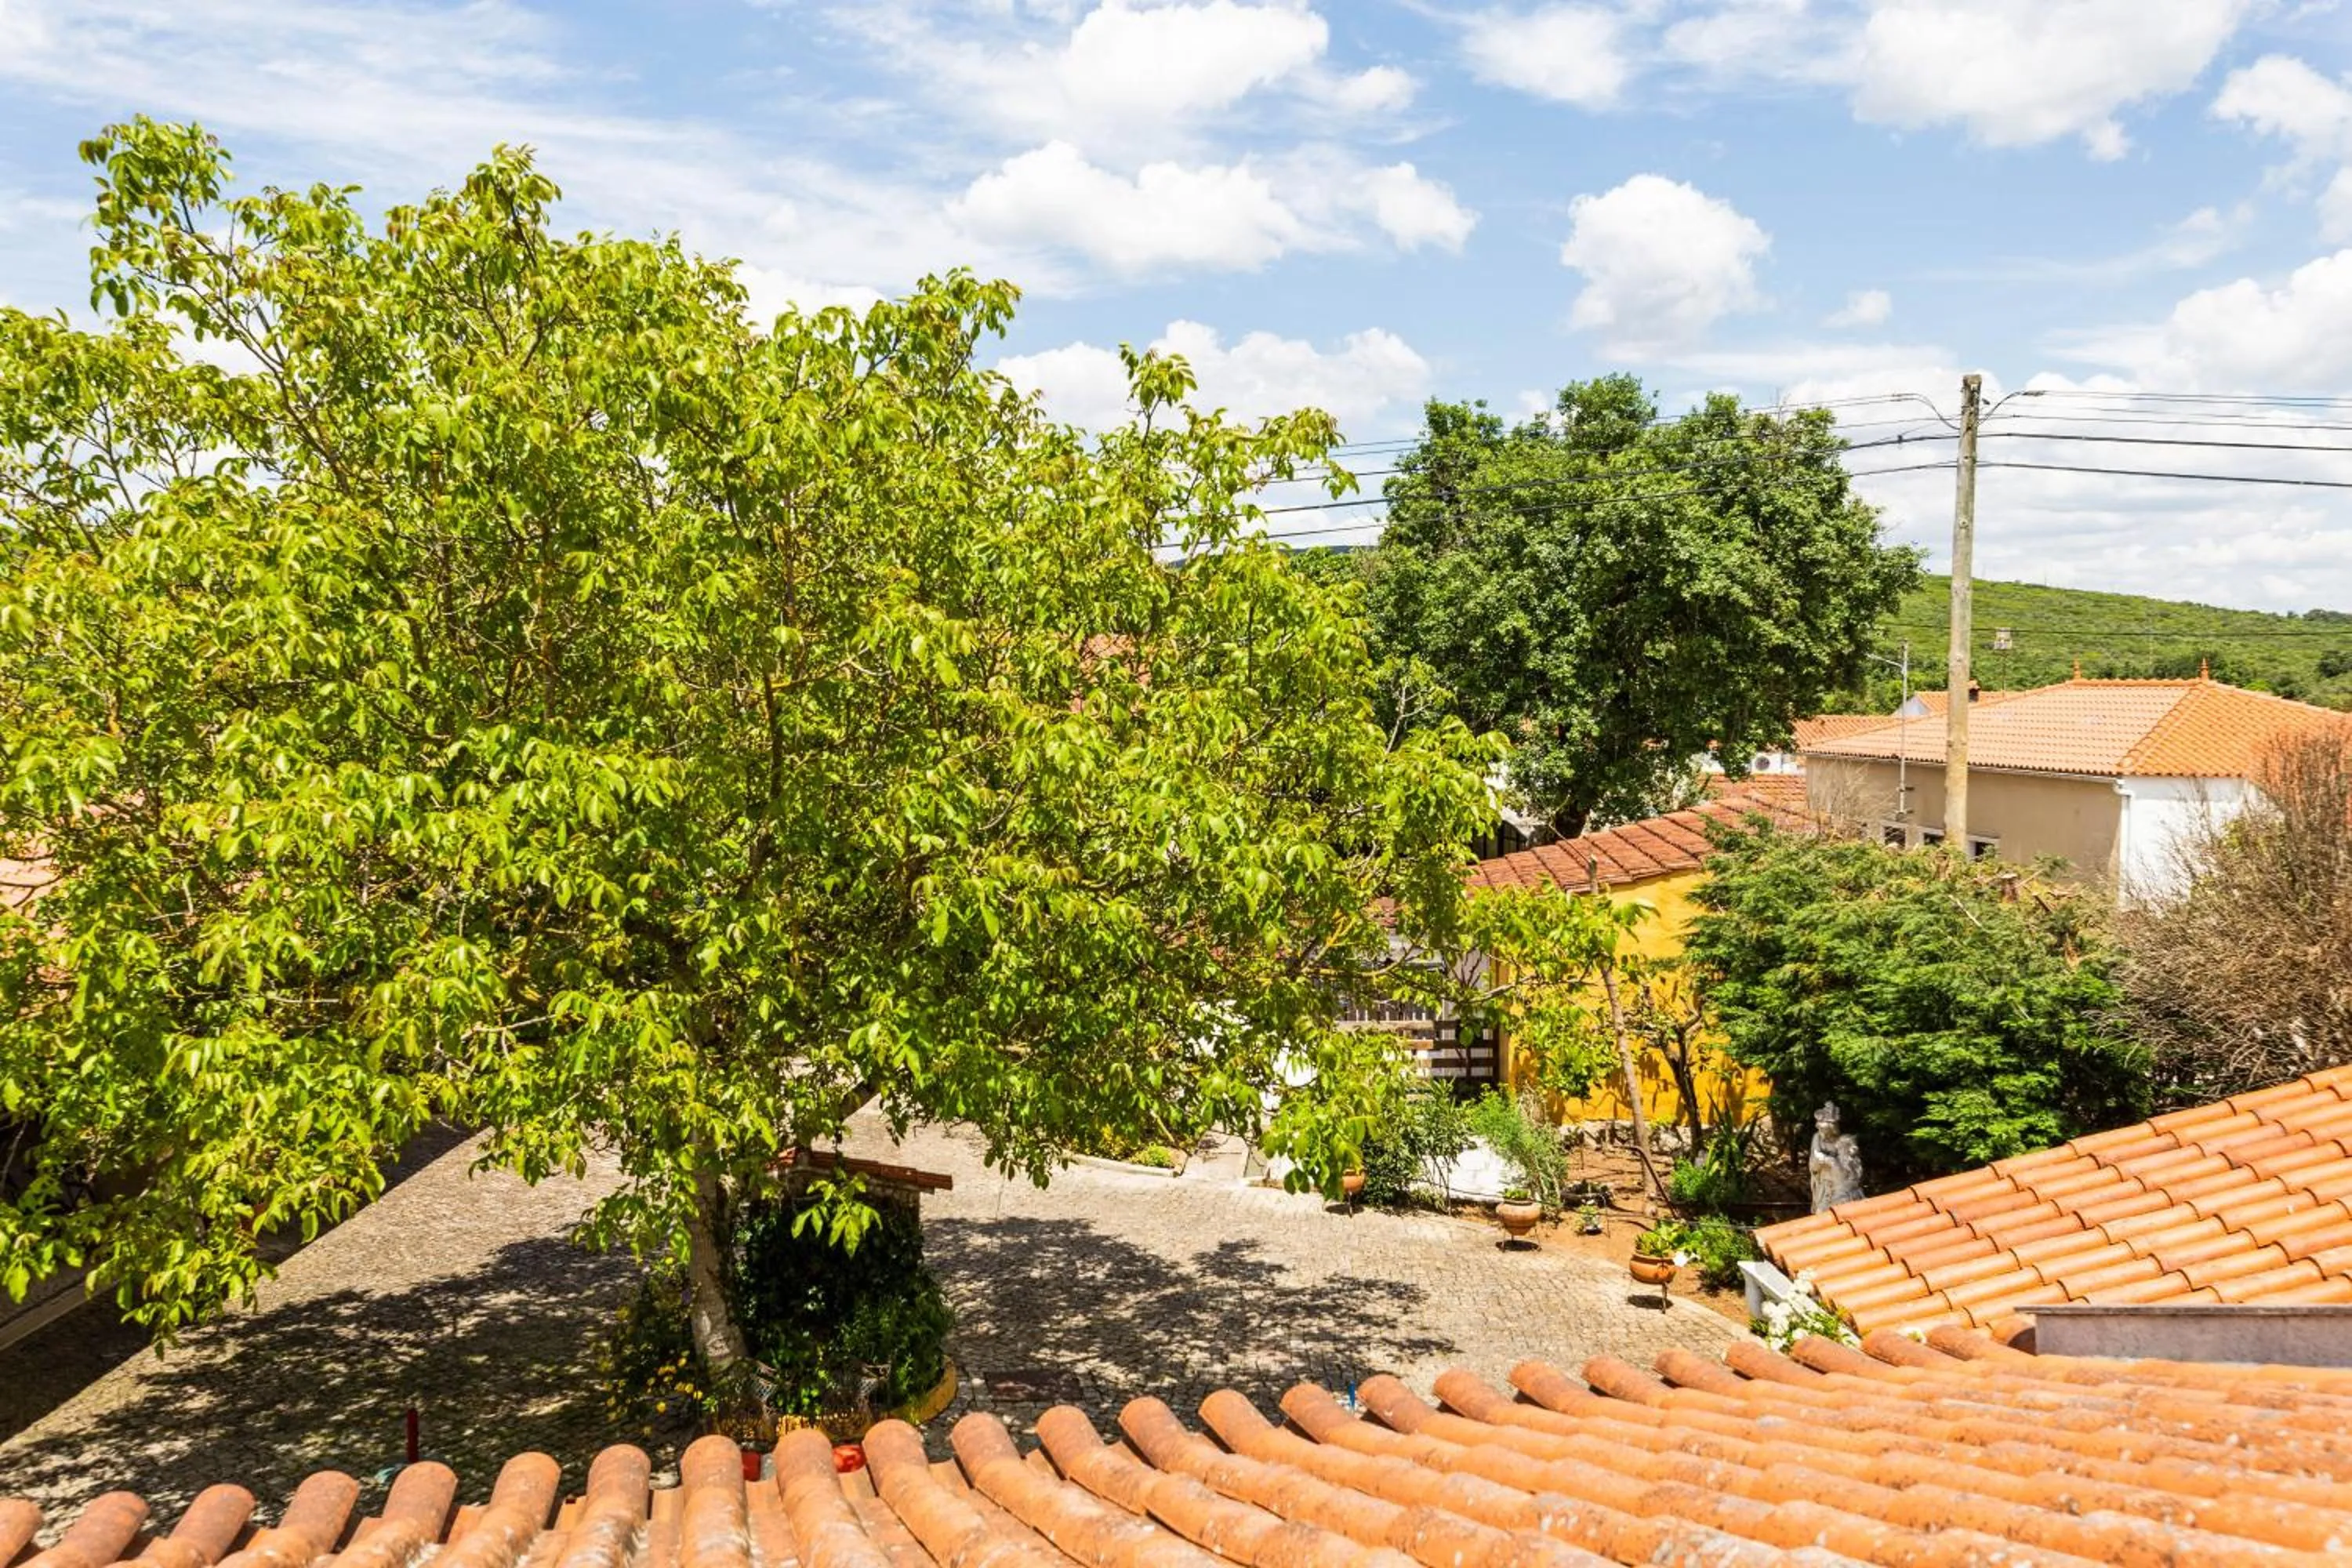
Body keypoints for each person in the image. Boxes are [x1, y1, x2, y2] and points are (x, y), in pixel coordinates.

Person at [1809, 1101, 1864, 1213]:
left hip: (1841, 1186)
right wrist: (1822, 1161)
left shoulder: (1844, 1142)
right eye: (1820, 1128)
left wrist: (1830, 1161)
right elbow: (1814, 1163)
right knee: (1822, 1211)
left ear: (1832, 1129)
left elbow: (1849, 1172)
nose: (1821, 1132)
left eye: (1824, 1130)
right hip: (1825, 1182)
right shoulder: (1817, 1138)